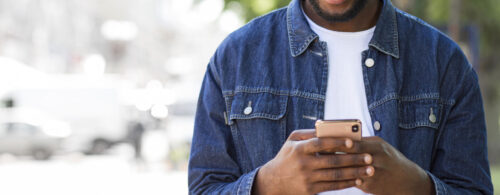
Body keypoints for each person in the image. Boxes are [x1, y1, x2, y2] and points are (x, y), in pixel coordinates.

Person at [188, 0, 493, 194]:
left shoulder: (444, 62)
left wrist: (418, 187)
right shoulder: (235, 57)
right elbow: (204, 189)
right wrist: (268, 185)